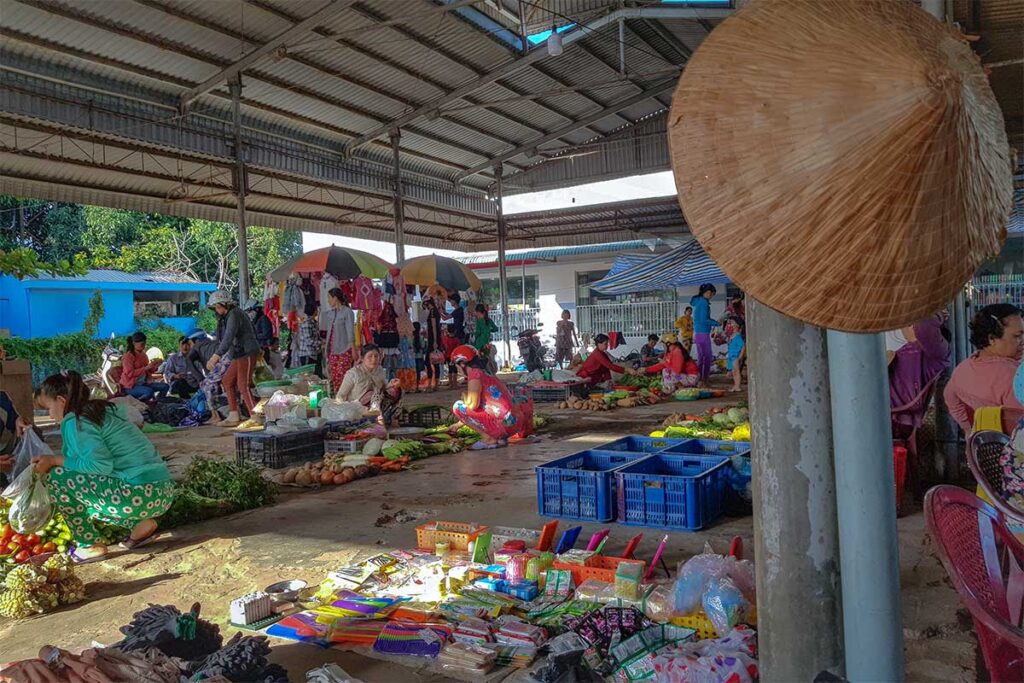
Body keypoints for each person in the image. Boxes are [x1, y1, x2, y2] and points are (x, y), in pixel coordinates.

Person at [33, 370, 175, 561]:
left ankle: (88, 545)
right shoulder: (101, 411)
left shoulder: (76, 421)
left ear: (61, 401)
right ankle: (139, 524)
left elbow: (99, 465)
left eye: (47, 408)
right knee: (84, 495)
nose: (49, 415)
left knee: (57, 476)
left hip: (139, 493)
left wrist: (53, 460)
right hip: (162, 492)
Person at [943, 304, 1023, 435]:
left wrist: (971, 430)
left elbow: (949, 397)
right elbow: (1020, 426)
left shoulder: (962, 369)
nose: (1022, 341)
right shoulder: (1015, 376)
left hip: (979, 451)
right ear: (992, 339)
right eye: (1017, 336)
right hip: (1013, 453)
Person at [449, 345, 534, 450]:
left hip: (503, 425)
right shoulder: (486, 372)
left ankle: (489, 439)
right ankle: (500, 439)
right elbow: (483, 406)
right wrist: (458, 425)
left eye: (457, 366)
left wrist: (464, 396)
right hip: (515, 423)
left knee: (457, 407)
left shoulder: (474, 375)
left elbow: (472, 406)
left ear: (462, 363)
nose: (457, 369)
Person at [207, 289, 261, 428]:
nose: (217, 310)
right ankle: (233, 414)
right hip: (238, 354)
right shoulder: (227, 316)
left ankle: (255, 416)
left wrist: (216, 356)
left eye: (218, 307)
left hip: (247, 352)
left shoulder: (234, 314)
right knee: (227, 381)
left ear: (225, 304)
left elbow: (229, 337)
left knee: (244, 385)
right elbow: (226, 339)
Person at [889, 312, 951, 428]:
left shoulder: (936, 351)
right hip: (890, 412)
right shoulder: (904, 350)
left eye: (910, 323)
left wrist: (937, 313)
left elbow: (924, 325)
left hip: (896, 415)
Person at [320, 288, 355, 395]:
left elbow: (350, 332)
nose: (328, 301)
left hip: (344, 349)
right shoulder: (330, 314)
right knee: (334, 377)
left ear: (335, 298)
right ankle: (338, 400)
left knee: (343, 377)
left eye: (329, 298)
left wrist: (353, 349)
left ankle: (344, 400)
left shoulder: (347, 312)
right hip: (332, 350)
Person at [119, 332, 168, 401]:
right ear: (134, 343)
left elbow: (149, 371)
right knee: (149, 391)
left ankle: (158, 402)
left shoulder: (143, 355)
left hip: (143, 383)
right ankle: (138, 405)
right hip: (129, 386)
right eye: (142, 344)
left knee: (165, 386)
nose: (144, 346)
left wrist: (156, 364)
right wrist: (146, 368)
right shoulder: (128, 356)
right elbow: (130, 373)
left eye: (144, 344)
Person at [690, 284, 717, 384]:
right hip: (703, 333)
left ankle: (700, 377)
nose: (711, 296)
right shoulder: (704, 302)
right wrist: (716, 323)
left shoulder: (698, 302)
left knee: (701, 357)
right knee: (707, 357)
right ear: (707, 292)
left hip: (698, 333)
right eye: (711, 294)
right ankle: (704, 378)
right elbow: (704, 320)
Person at [424, 298, 444, 392]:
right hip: (434, 338)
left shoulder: (432, 312)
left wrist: (435, 340)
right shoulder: (435, 311)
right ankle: (435, 384)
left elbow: (434, 327)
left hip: (433, 339)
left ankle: (430, 384)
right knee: (435, 361)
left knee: (428, 361)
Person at [296, 300, 321, 367]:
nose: (318, 310)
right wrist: (321, 343)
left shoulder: (314, 322)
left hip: (313, 354)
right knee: (307, 375)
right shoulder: (307, 323)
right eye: (317, 309)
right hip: (307, 354)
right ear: (314, 311)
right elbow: (309, 341)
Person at [726, 316, 747, 392]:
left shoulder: (738, 335)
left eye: (732, 322)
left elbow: (743, 345)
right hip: (731, 356)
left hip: (735, 356)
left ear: (737, 325)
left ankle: (737, 386)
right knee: (733, 371)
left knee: (736, 371)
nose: (730, 324)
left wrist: (741, 355)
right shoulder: (733, 335)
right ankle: (735, 385)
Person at [442, 324, 461, 389]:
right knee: (454, 369)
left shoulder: (445, 339)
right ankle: (455, 384)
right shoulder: (456, 340)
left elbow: (443, 347)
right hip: (454, 356)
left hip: (447, 356)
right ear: (455, 331)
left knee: (450, 369)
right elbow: (458, 348)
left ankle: (450, 384)